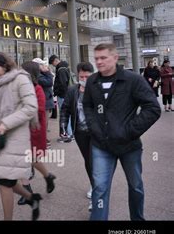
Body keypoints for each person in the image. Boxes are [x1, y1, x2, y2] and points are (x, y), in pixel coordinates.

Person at [83, 43, 161, 220]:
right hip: (101, 145)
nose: (99, 62)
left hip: (129, 145)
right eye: (96, 58)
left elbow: (152, 108)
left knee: (135, 186)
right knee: (100, 188)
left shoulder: (132, 80)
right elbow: (87, 105)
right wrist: (94, 127)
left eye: (103, 58)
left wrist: (129, 131)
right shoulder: (92, 81)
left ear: (115, 57)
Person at [0, 52, 42, 221]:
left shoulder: (21, 79)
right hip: (2, 137)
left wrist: (5, 123)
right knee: (6, 179)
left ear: (5, 66)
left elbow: (31, 107)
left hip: (17, 136)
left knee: (3, 181)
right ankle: (32, 199)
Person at [17, 61, 56, 206]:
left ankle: (47, 176)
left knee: (30, 159)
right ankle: (28, 191)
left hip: (33, 130)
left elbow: (38, 110)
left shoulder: (37, 88)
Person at [60, 62, 95, 211]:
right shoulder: (72, 90)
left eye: (87, 76)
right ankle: (94, 185)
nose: (84, 79)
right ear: (77, 76)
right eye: (82, 76)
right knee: (88, 160)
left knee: (95, 161)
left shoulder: (97, 89)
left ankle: (97, 191)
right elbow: (65, 108)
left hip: (96, 133)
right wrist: (63, 125)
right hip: (80, 133)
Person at [32, 58, 54, 147]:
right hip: (44, 101)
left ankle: (43, 138)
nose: (44, 66)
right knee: (43, 122)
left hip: (46, 100)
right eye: (41, 65)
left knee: (45, 122)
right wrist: (47, 72)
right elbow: (49, 82)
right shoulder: (38, 75)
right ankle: (42, 139)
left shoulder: (41, 74)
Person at [53, 59, 74, 142]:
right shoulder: (66, 67)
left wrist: (59, 92)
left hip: (63, 96)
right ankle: (70, 134)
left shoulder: (61, 69)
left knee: (64, 115)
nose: (53, 65)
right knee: (67, 115)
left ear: (55, 61)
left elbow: (62, 83)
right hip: (66, 95)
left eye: (52, 63)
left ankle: (67, 135)